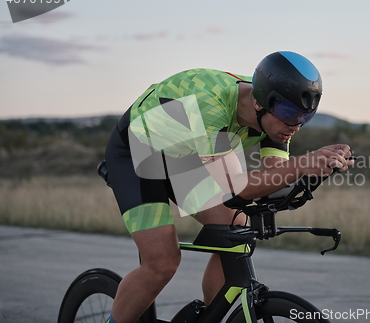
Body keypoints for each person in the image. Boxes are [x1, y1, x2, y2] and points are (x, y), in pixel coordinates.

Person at [104, 51, 354, 323]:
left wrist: (318, 171)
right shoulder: (210, 105)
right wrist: (304, 162)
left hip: (186, 156)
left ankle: (213, 316)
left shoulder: (277, 113)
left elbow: (273, 177)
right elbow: (239, 188)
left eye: (305, 117)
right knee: (162, 263)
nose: (295, 125)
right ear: (260, 103)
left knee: (236, 230)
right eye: (289, 114)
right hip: (138, 153)